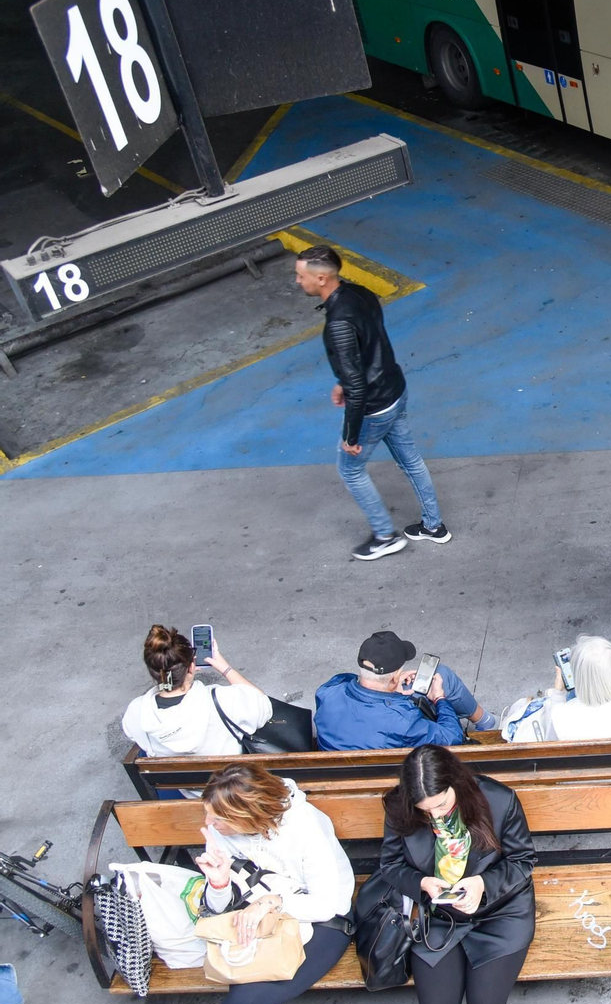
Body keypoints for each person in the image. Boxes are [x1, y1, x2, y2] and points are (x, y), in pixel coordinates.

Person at [295, 244, 448, 561]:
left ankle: (385, 536)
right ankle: (434, 527)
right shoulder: (361, 293)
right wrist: (343, 381)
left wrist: (351, 434)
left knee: (350, 470)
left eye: (300, 276)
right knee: (411, 460)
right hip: (395, 390)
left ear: (322, 278)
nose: (298, 282)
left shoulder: (338, 322)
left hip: (373, 407)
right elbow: (370, 343)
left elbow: (356, 380)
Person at [379, 745, 538, 1004]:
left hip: (499, 913)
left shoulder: (498, 801)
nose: (435, 816)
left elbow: (522, 860)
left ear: (456, 783)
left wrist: (483, 883)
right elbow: (391, 865)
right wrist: (422, 882)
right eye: (425, 811)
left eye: (440, 805)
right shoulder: (401, 806)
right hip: (439, 916)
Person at [192, 764, 355, 1004]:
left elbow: (326, 905)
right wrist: (218, 885)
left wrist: (271, 902)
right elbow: (219, 909)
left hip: (322, 924)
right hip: (257, 924)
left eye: (218, 818)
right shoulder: (220, 832)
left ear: (247, 817)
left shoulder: (305, 826)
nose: (208, 823)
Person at [123, 625, 273, 759]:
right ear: (191, 666)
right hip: (229, 784)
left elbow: (132, 733)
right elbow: (264, 706)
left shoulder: (136, 711)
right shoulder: (222, 700)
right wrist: (224, 667)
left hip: (184, 788)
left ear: (154, 671)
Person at [313, 631, 470, 751]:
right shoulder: (404, 722)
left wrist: (393, 692)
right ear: (395, 677)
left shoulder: (328, 691)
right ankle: (485, 721)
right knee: (443, 674)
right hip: (390, 783)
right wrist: (439, 698)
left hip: (337, 775)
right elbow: (452, 737)